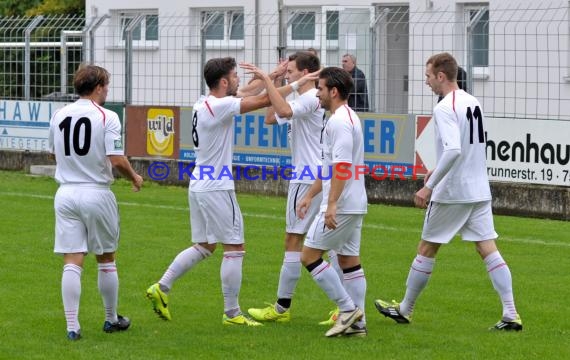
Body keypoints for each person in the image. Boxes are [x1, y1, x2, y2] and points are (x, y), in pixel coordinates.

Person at [145, 57, 313, 326]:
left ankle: (161, 287)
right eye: (235, 76)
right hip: (217, 186)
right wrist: (294, 83)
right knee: (235, 247)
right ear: (224, 82)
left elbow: (249, 91)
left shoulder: (205, 102)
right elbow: (263, 100)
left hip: (199, 182)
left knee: (205, 245)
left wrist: (273, 74)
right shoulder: (222, 106)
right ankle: (232, 314)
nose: (239, 80)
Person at [374, 52, 522, 331]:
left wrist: (429, 186)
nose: (427, 82)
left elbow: (454, 149)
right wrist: (435, 170)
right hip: (478, 188)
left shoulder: (444, 107)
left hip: (453, 191)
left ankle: (405, 309)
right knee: (487, 247)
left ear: (441, 76)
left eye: (429, 76)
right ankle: (511, 313)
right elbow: (466, 147)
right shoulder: (471, 100)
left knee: (427, 247)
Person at [242, 52, 342, 324]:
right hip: (318, 174)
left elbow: (283, 111)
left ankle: (282, 308)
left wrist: (268, 80)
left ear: (307, 73)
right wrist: (274, 83)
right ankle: (346, 306)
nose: (287, 74)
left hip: (306, 176)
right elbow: (271, 117)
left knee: (293, 241)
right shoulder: (308, 98)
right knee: (331, 245)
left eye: (292, 70)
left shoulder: (310, 98)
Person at [48, 64, 144, 341]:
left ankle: (72, 326)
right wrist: (134, 177)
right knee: (106, 258)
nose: (108, 90)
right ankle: (111, 318)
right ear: (99, 87)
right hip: (96, 192)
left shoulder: (59, 115)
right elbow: (116, 159)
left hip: (65, 193)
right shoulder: (107, 117)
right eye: (107, 85)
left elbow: (54, 154)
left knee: (72, 259)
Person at [296, 67, 368, 337]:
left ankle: (348, 310)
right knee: (349, 260)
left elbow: (341, 167)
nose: (318, 93)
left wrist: (332, 204)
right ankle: (358, 327)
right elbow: (328, 168)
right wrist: (310, 195)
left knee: (309, 255)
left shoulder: (339, 122)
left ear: (333, 91)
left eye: (321, 88)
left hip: (343, 204)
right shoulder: (344, 118)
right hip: (353, 203)